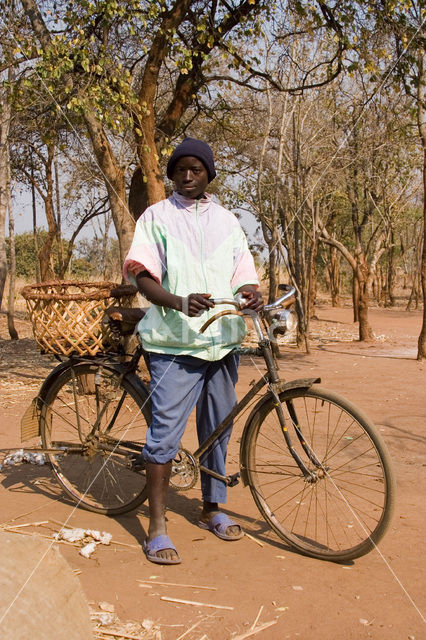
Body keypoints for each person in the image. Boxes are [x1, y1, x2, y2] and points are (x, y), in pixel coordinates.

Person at [123, 138, 263, 564]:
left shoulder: (227, 221)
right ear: (171, 174)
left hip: (222, 340)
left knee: (218, 428)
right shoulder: (156, 217)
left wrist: (251, 293)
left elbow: (243, 271)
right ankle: (158, 526)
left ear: (209, 174)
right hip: (172, 342)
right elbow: (141, 275)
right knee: (165, 432)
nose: (187, 176)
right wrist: (178, 301)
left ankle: (212, 509)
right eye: (180, 169)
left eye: (196, 169)